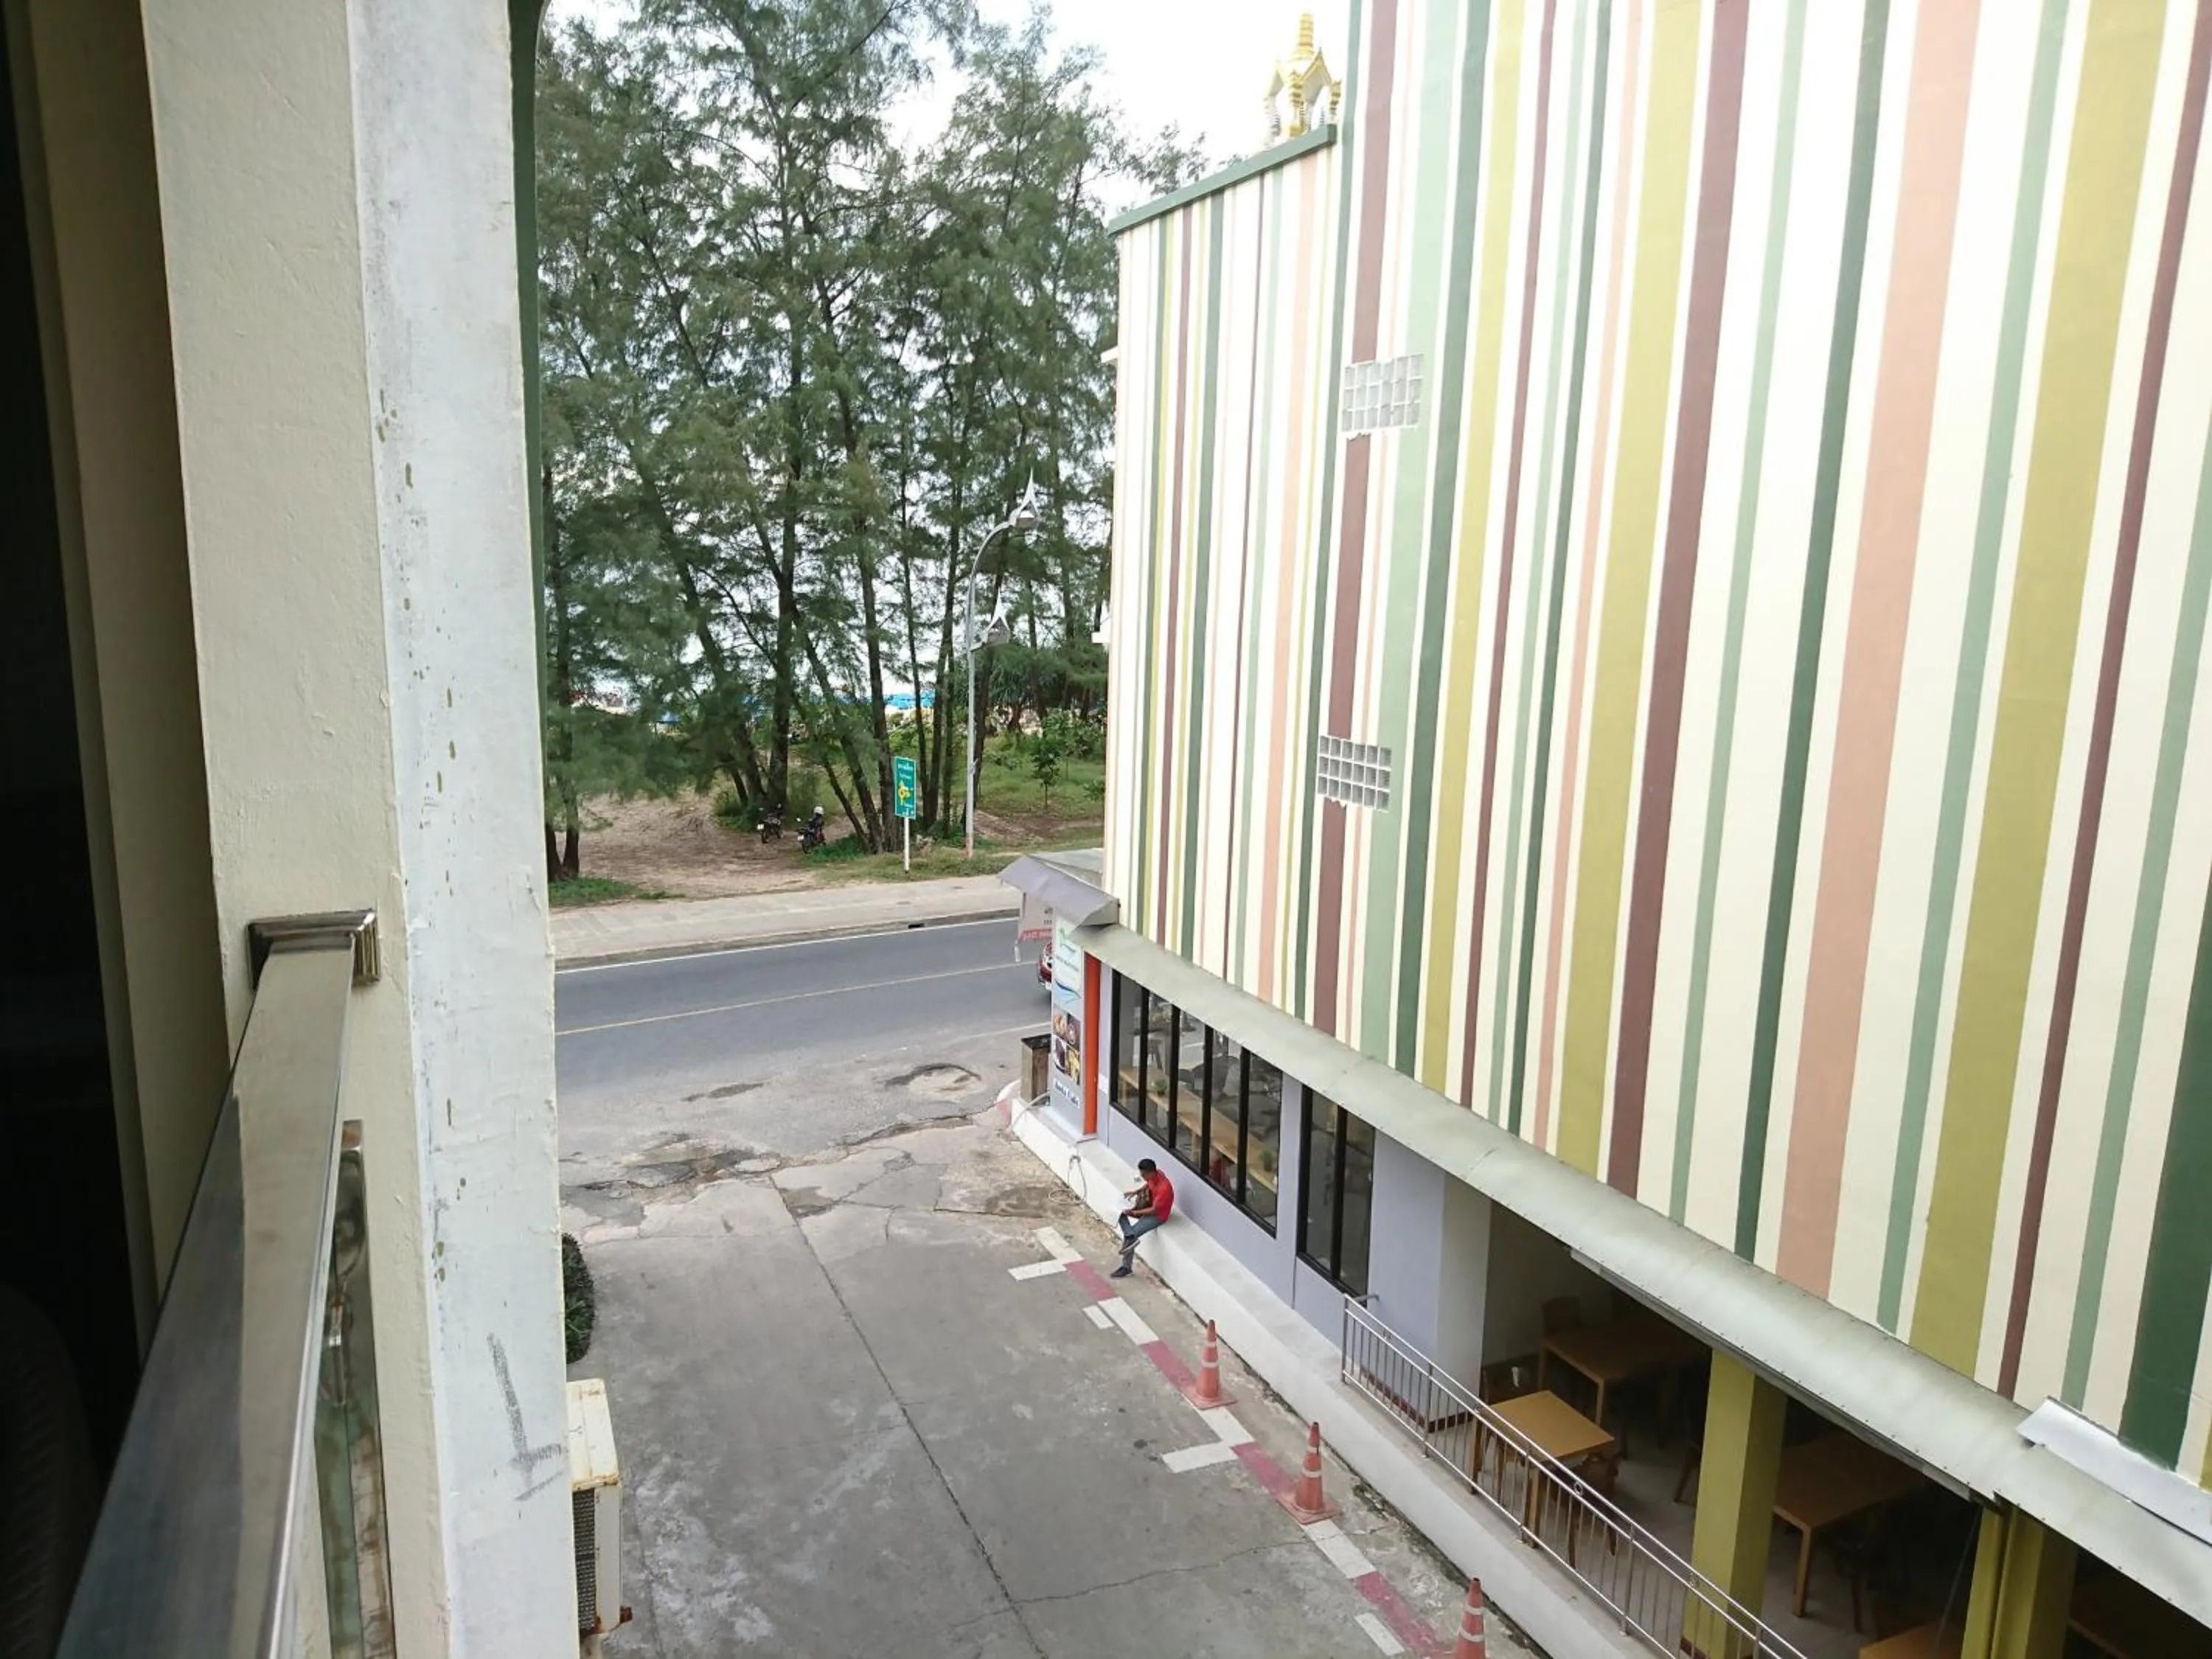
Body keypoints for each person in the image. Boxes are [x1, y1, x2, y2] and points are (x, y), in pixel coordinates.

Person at [1113, 1158, 1175, 1278]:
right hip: (1148, 1206)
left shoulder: (1164, 1189)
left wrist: (1135, 1213)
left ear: (1151, 1172)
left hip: (1157, 1216)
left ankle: (1126, 1267)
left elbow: (1154, 1210)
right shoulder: (1156, 1175)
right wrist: (1136, 1192)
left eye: (1144, 1174)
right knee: (1120, 1215)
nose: (1142, 1176)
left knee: (1131, 1235)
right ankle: (1130, 1235)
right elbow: (1148, 1185)